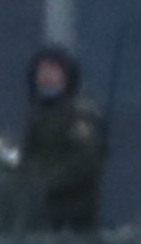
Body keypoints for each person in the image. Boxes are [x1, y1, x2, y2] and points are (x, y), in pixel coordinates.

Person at [18, 45, 107, 231]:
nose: (47, 77)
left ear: (67, 76)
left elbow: (85, 161)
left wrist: (47, 182)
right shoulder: (37, 115)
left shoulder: (79, 114)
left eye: (53, 71)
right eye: (42, 71)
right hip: (41, 208)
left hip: (73, 210)